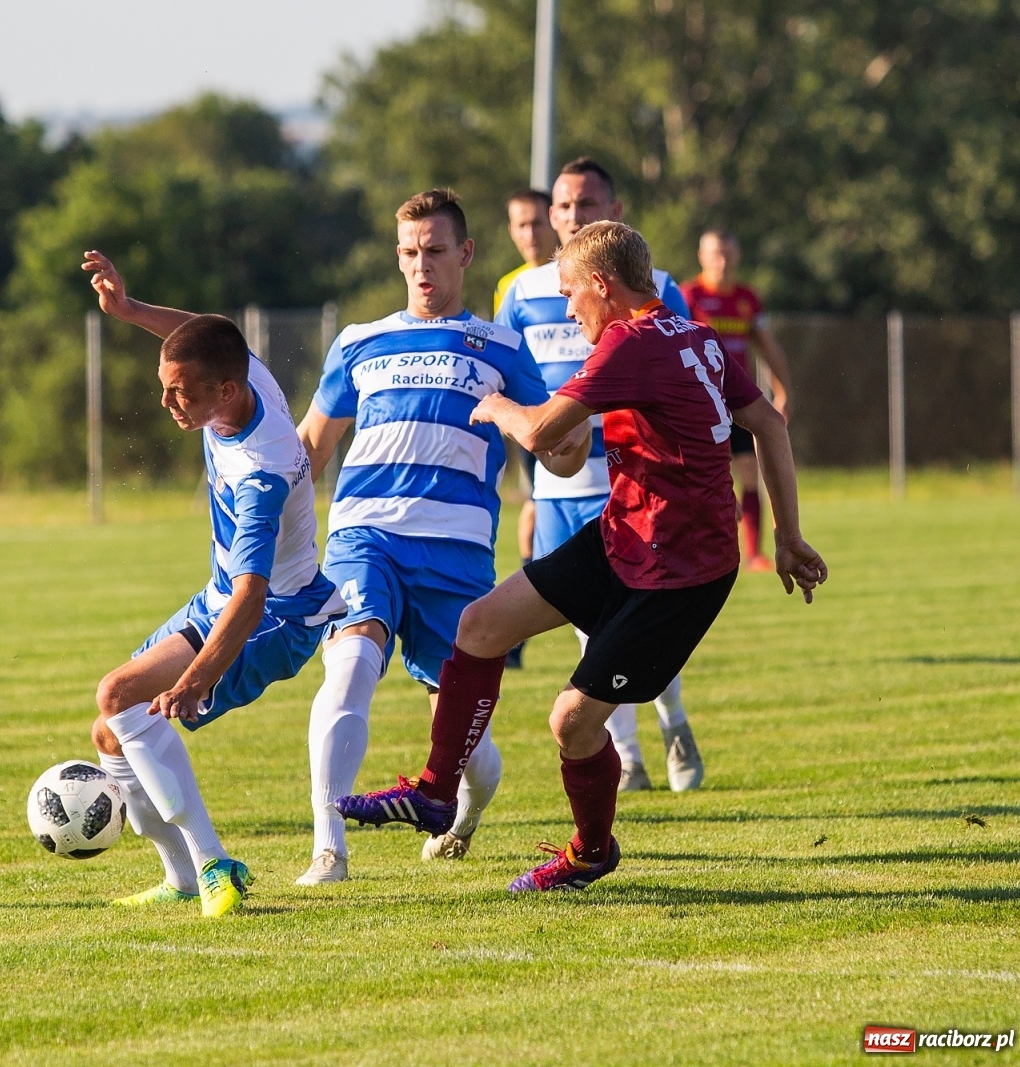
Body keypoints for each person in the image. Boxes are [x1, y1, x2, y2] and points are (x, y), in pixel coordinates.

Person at [337, 221, 827, 892]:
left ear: (601, 284)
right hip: (624, 533)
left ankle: (591, 852)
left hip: (681, 574)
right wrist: (787, 535)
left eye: (570, 293)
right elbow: (768, 420)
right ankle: (434, 793)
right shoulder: (695, 335)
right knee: (480, 625)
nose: (568, 310)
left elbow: (541, 432)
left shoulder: (630, 341)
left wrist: (496, 405)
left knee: (571, 721)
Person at [294, 189, 587, 884]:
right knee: (350, 664)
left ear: (465, 253)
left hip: (456, 555)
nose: (420, 265)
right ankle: (328, 848)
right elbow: (310, 447)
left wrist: (570, 442)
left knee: (465, 744)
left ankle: (466, 811)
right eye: (408, 252)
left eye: (433, 250)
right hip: (365, 535)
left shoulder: (503, 347)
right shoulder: (358, 341)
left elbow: (555, 445)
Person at [81, 250, 347, 917]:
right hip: (222, 597)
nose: (167, 401)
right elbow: (201, 330)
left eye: (181, 392)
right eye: (166, 385)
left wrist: (197, 678)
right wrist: (129, 309)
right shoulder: (243, 375)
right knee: (112, 732)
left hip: (275, 619)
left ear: (226, 391)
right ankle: (179, 875)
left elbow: (253, 597)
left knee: (120, 697)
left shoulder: (262, 473)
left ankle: (211, 862)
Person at [496, 156, 702, 793]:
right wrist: (528, 479)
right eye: (562, 206)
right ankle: (630, 757)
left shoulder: (659, 286)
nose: (571, 216)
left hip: (633, 487)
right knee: (592, 632)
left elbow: (692, 379)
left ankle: (672, 717)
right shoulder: (520, 293)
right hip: (558, 491)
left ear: (613, 212)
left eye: (586, 205)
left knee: (638, 626)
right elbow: (511, 381)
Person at [681, 229, 794, 572]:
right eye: (715, 254)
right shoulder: (689, 296)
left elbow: (768, 347)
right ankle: (697, 549)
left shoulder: (747, 299)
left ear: (737, 256)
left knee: (749, 473)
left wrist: (783, 391)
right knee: (702, 479)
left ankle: (754, 553)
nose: (722, 261)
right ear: (701, 256)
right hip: (699, 403)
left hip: (737, 402)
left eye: (728, 254)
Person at [494, 188, 559, 659]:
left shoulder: (573, 274)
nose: (530, 233)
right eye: (520, 224)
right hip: (536, 417)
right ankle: (518, 627)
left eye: (537, 222)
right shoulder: (511, 285)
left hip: (585, 420)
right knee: (534, 507)